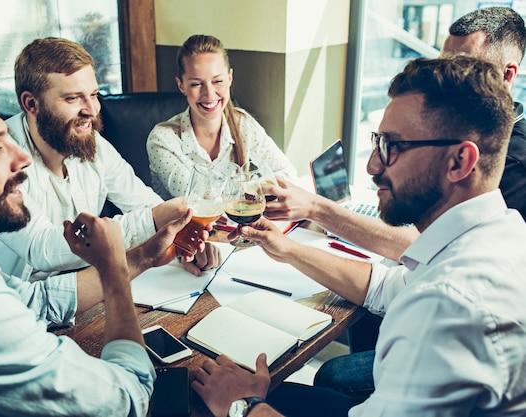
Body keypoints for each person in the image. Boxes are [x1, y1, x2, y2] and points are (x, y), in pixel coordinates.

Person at [192, 55, 526, 417]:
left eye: (393, 147)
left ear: (460, 161)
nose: (372, 166)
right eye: (377, 142)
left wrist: (243, 405)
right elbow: (384, 286)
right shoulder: (503, 230)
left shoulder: (446, 307)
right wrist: (286, 248)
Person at [0, 71, 198, 416]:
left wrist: (143, 256)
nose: (22, 158)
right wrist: (114, 270)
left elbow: (32, 300)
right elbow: (125, 399)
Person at [0, 37, 221, 326]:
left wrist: (181, 239)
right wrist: (155, 221)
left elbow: (142, 201)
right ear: (31, 103)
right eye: (73, 98)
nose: (92, 109)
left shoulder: (89, 142)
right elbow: (42, 249)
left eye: (94, 94)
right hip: (18, 312)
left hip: (87, 294)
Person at [265, 6, 526, 264]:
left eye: (462, 65)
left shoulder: (514, 166)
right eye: (442, 62)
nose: (444, 76)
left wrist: (317, 208)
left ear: (507, 75)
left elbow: (425, 245)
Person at [146, 34, 297, 200]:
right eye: (196, 84)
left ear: (229, 78)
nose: (209, 94)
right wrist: (254, 189)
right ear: (181, 86)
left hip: (238, 224)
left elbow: (287, 173)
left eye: (217, 81)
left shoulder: (242, 124)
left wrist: (256, 189)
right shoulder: (162, 139)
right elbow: (200, 200)